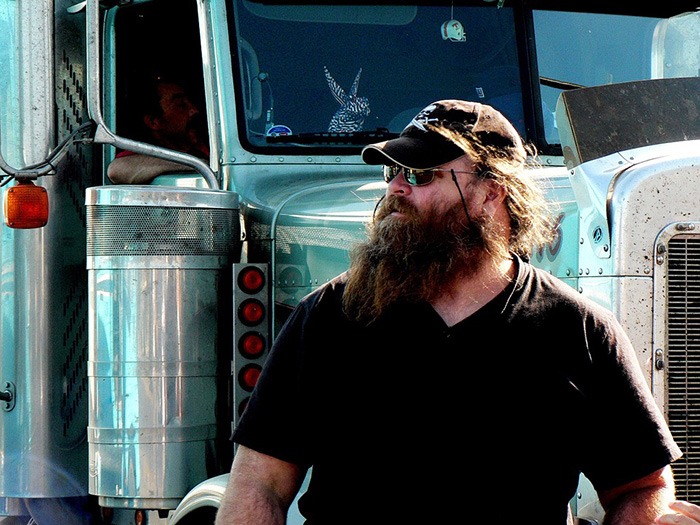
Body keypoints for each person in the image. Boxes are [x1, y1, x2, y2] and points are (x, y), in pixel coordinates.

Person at [214, 99, 684, 524]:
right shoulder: (330, 316)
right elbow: (259, 483)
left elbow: (642, 488)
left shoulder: (576, 328)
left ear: (491, 192)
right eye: (392, 173)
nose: (396, 189)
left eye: (420, 175)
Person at [107, 75, 209, 184]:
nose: (194, 110)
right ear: (153, 122)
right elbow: (117, 170)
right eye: (181, 105)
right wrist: (197, 164)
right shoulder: (146, 155)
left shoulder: (205, 141)